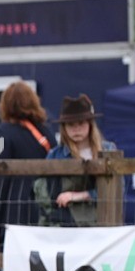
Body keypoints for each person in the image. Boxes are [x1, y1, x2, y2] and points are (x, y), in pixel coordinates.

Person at [34, 94, 118, 227]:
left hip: (103, 223)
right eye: (70, 124)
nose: (76, 128)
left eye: (81, 123)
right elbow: (46, 195)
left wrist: (80, 195)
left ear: (90, 124)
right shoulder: (55, 155)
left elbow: (117, 190)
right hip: (67, 225)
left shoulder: (108, 150)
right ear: (64, 128)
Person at [0, 82, 56, 226]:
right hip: (45, 210)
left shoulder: (1, 133)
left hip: (13, 213)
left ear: (5, 105)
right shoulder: (46, 133)